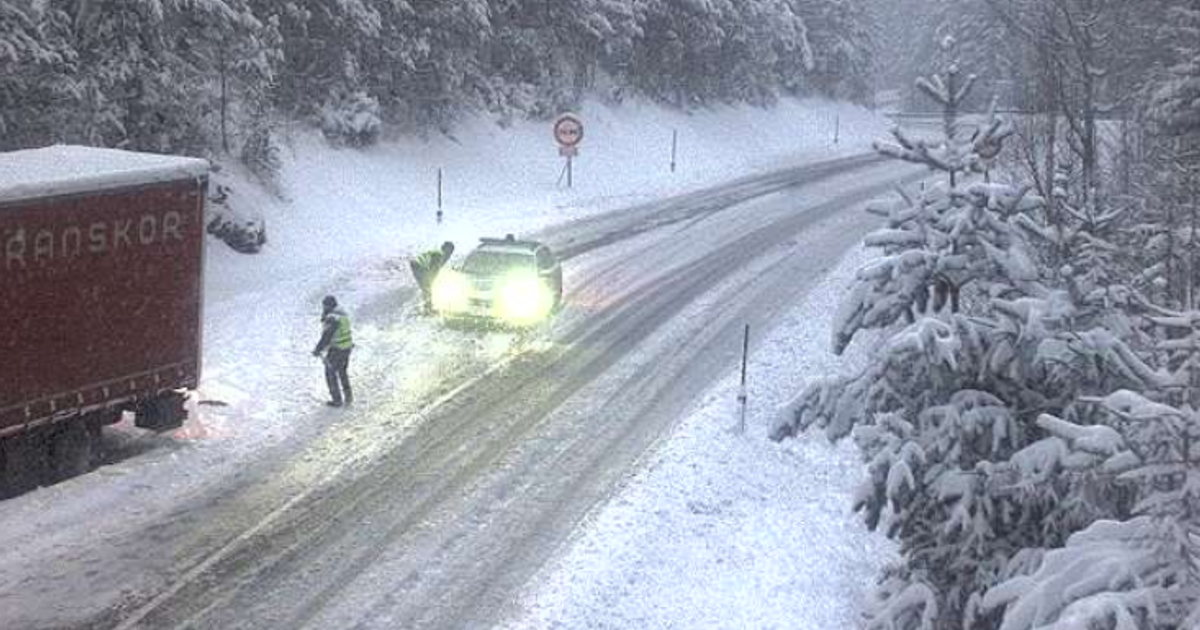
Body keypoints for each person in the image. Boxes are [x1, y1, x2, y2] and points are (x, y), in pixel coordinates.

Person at [312, 295, 353, 407]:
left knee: (330, 373)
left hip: (337, 349)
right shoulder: (343, 315)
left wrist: (317, 349)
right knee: (342, 372)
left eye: (324, 306)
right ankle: (348, 396)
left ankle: (337, 400)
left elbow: (327, 336)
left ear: (328, 306)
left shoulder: (332, 318)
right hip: (347, 348)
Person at [410, 241, 455, 313]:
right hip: (419, 265)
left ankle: (426, 307)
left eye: (451, 252)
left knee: (425, 288)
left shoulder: (438, 253)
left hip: (415, 264)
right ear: (445, 249)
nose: (450, 255)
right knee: (427, 287)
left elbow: (435, 270)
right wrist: (432, 281)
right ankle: (428, 309)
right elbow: (434, 270)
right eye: (450, 251)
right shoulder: (439, 254)